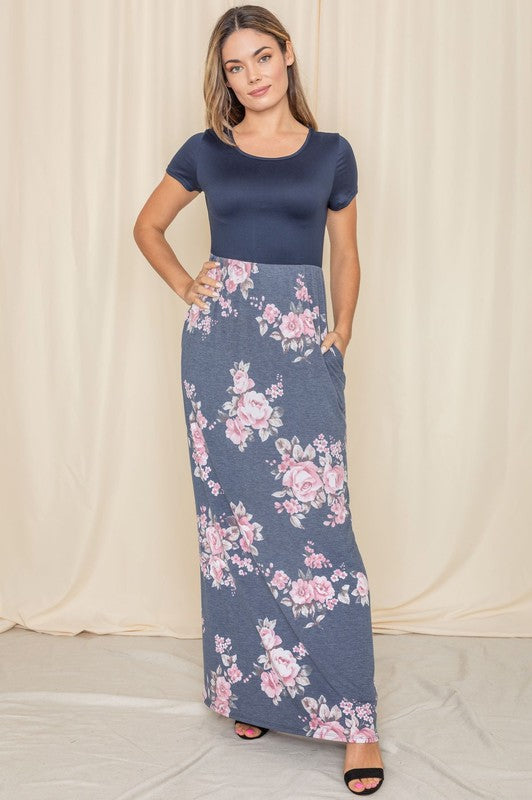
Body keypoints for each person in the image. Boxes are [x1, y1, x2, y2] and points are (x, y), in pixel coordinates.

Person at [133, 4, 384, 795]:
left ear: (288, 57)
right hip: (222, 353)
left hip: (302, 342)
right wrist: (186, 285)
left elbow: (345, 254)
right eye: (236, 66)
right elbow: (148, 227)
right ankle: (251, 689)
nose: (252, 76)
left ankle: (354, 719)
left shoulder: (333, 153)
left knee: (320, 528)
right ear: (226, 76)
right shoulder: (206, 150)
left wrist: (341, 329)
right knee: (233, 526)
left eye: (262, 57)